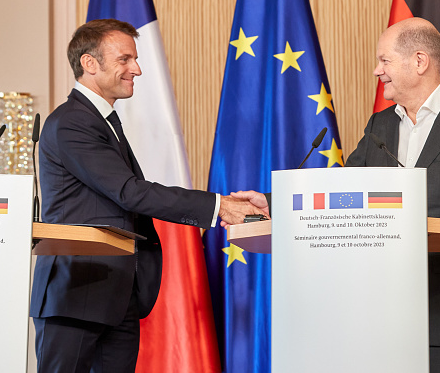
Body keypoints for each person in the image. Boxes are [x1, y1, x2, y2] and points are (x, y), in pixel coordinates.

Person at [233, 17, 440, 373]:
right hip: (375, 313)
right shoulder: (380, 125)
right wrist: (275, 202)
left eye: (384, 60)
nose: (377, 70)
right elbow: (344, 189)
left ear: (419, 62)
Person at [30, 19, 268, 373]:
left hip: (117, 294)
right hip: (77, 294)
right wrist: (219, 206)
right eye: (125, 59)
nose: (136, 69)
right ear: (89, 64)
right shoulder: (71, 122)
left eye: (135, 59)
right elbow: (129, 192)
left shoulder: (102, 120)